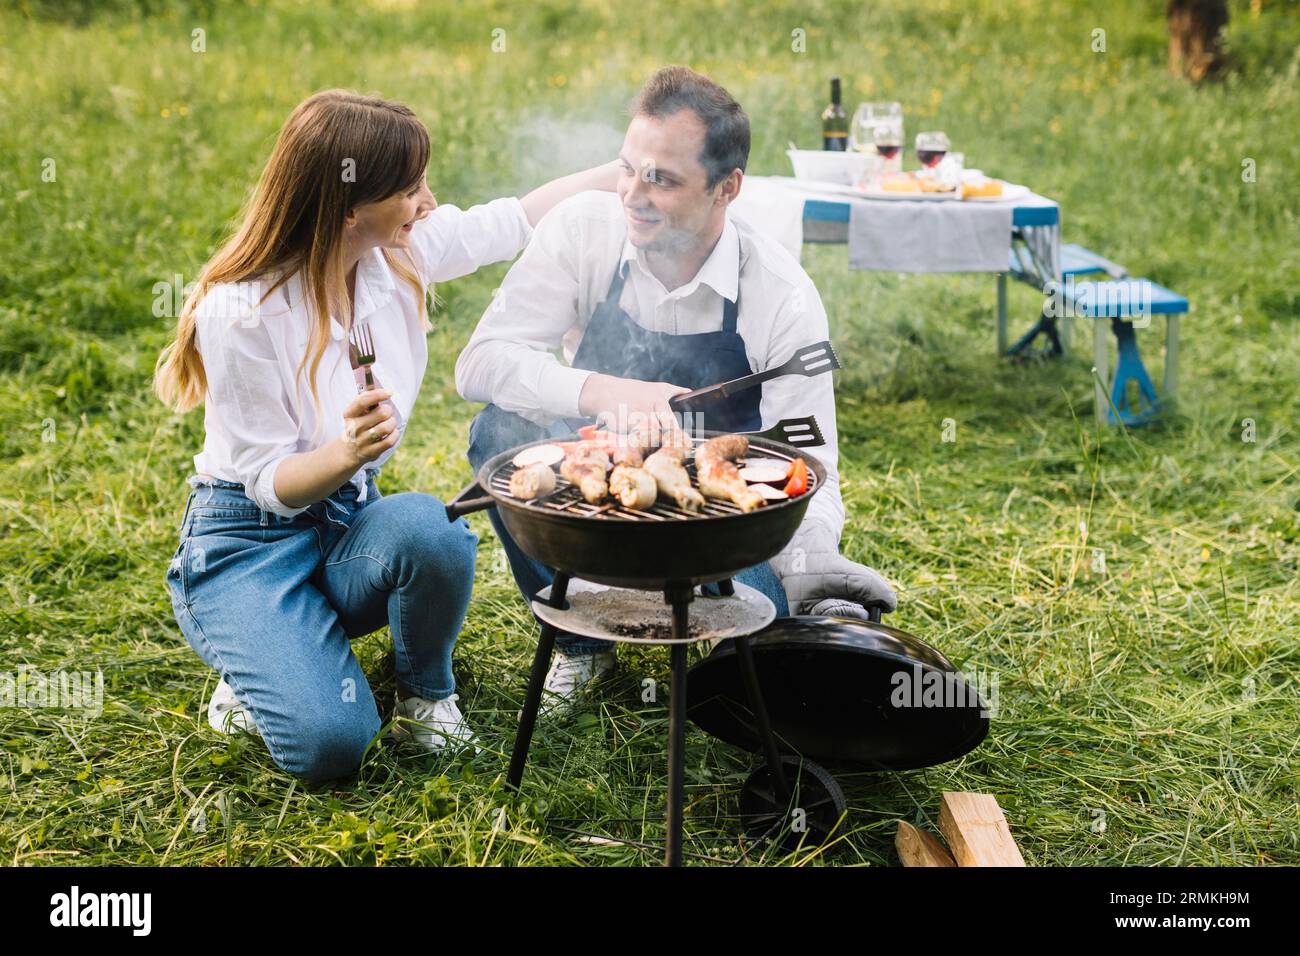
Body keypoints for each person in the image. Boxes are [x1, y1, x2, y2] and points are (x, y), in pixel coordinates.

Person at [154, 89, 618, 782]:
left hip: (343, 523)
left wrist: (633, 166)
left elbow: (517, 218)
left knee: (432, 528)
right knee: (333, 748)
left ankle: (425, 698)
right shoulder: (241, 313)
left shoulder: (393, 257)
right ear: (348, 206)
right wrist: (345, 453)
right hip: (247, 541)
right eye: (409, 189)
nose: (427, 202)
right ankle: (261, 658)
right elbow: (270, 484)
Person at [455, 67, 896, 715]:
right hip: (603, 480)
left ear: (727, 189)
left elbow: (814, 462)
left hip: (723, 519)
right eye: (628, 169)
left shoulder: (780, 293)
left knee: (767, 659)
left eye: (662, 179)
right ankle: (582, 649)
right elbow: (480, 363)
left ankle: (722, 629)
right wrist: (606, 391)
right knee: (499, 435)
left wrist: (812, 563)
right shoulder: (584, 230)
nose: (633, 195)